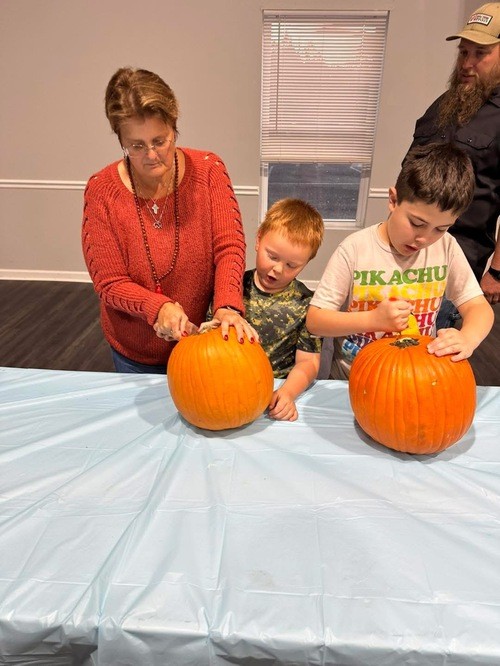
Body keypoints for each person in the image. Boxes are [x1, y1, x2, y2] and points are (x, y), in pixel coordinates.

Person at [82, 67, 257, 374]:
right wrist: (156, 307)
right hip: (135, 352)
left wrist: (228, 305)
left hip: (201, 341)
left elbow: (229, 247)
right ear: (120, 140)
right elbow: (109, 282)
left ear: (174, 128)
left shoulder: (209, 171)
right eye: (136, 146)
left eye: (159, 141)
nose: (151, 155)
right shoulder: (101, 191)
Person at [306, 143, 494, 380]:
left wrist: (468, 337)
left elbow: (479, 308)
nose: (424, 238)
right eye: (416, 223)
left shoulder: (446, 247)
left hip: (414, 377)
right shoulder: (355, 249)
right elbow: (316, 321)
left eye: (441, 228)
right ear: (393, 200)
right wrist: (372, 320)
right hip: (353, 379)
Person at [407, 2, 500, 318]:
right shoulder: (444, 103)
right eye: (463, 52)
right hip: (407, 248)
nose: (467, 63)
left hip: (456, 257)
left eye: (480, 53)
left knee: (437, 335)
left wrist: (497, 271)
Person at [243, 198, 324, 421]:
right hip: (231, 385)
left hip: (279, 390)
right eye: (272, 256)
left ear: (306, 262)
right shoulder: (232, 288)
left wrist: (288, 393)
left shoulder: (307, 304)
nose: (278, 269)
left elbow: (308, 362)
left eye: (291, 265)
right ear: (258, 239)